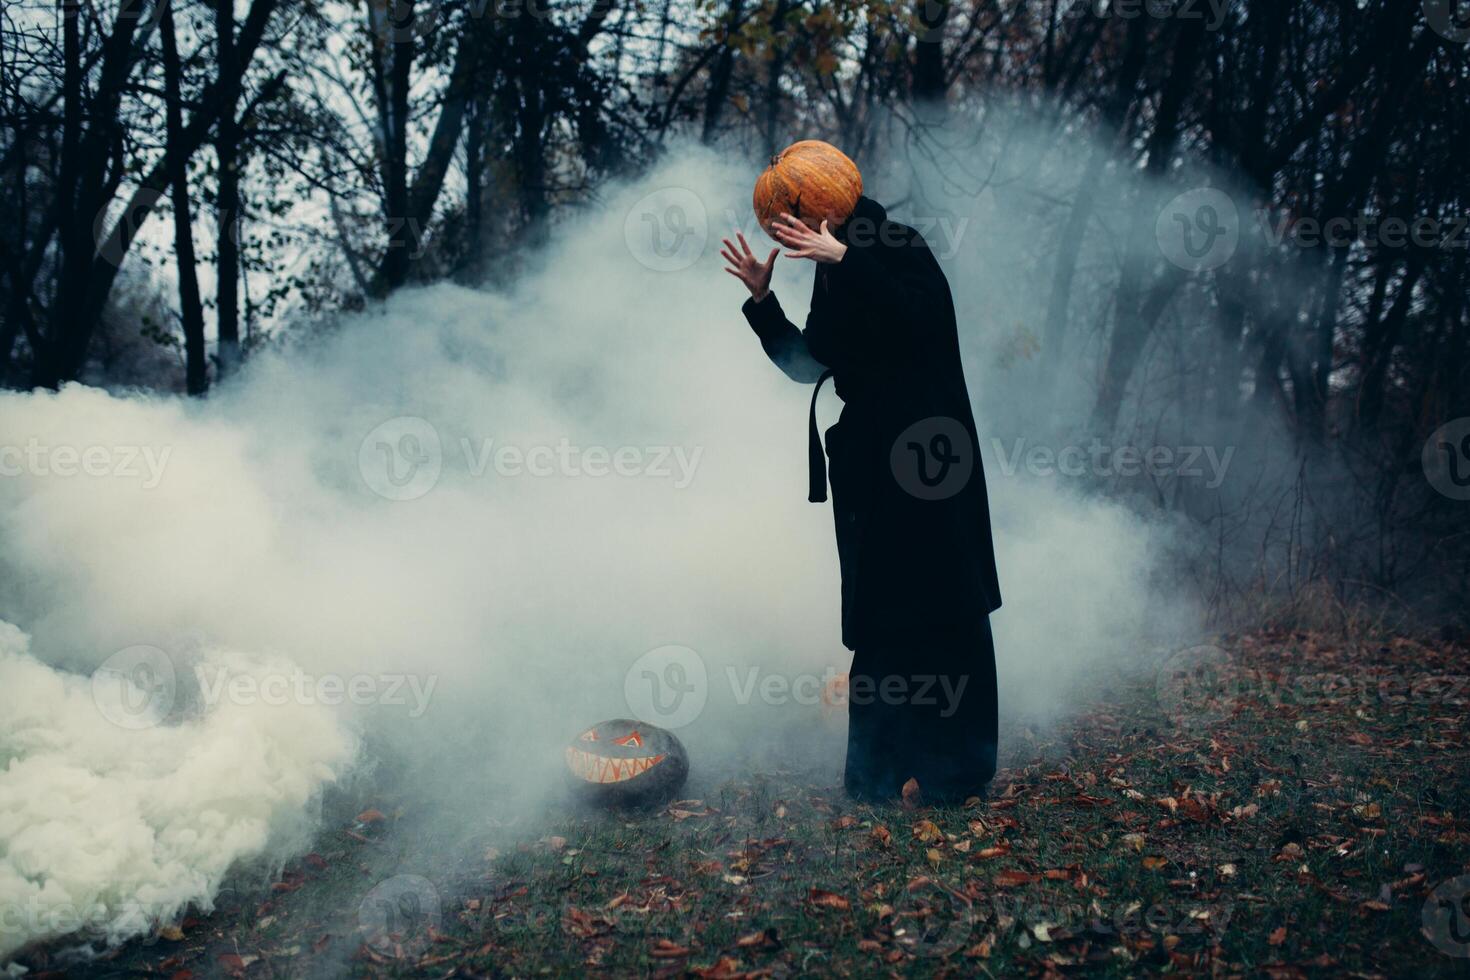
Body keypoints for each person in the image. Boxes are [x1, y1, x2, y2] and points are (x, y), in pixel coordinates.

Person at [721, 193, 1002, 804]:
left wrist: (847, 258)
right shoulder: (830, 272)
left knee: (949, 601)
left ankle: (958, 771)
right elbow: (813, 364)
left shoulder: (900, 245)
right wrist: (763, 301)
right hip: (870, 462)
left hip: (931, 454)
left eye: (795, 217)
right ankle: (876, 774)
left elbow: (922, 323)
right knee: (879, 611)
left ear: (824, 208)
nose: (789, 231)